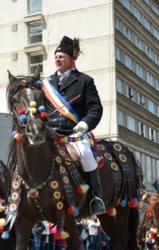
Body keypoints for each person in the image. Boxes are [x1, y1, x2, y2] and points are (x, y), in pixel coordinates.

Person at [45, 35, 105, 215]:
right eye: (56, 56)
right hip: (50, 134)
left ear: (72, 59)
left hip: (74, 134)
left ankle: (96, 197)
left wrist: (85, 123)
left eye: (62, 56)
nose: (57, 59)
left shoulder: (85, 81)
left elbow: (95, 108)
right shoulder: (46, 83)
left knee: (86, 154)